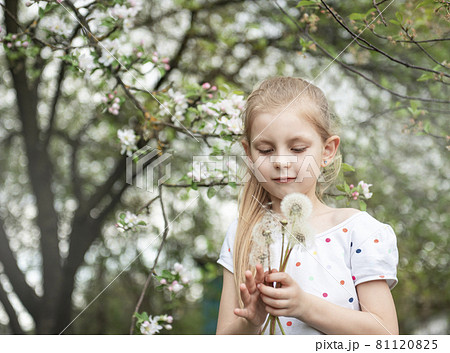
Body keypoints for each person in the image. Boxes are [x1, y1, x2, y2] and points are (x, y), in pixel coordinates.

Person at [215, 76, 399, 335]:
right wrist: (250, 322)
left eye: (297, 148)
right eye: (266, 150)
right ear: (249, 155)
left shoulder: (356, 231)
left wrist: (304, 306)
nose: (281, 161)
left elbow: (386, 335)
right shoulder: (242, 233)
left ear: (327, 150)